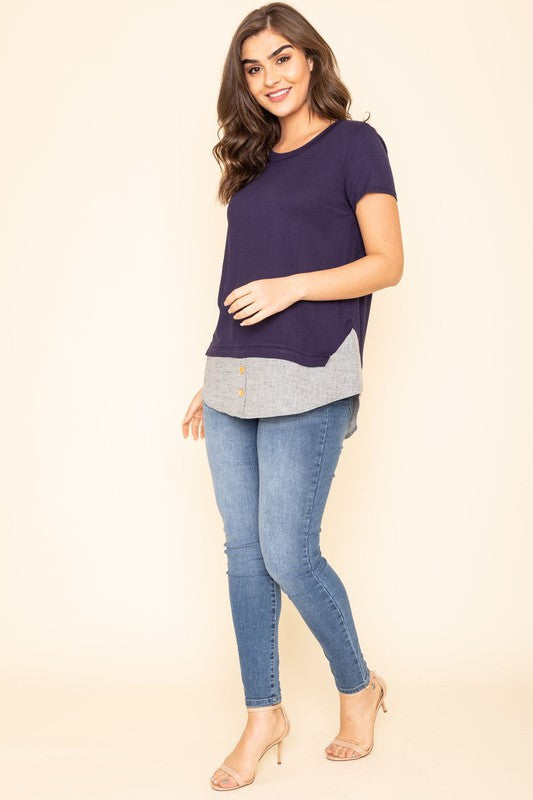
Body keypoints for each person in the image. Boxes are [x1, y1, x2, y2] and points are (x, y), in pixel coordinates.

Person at [182, 2, 404, 791]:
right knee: (243, 558)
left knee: (287, 551)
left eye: (282, 58)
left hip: (310, 368)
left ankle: (357, 688)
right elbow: (237, 280)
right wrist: (213, 375)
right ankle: (262, 714)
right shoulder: (249, 161)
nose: (269, 77)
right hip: (233, 373)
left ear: (311, 60)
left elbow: (386, 262)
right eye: (252, 66)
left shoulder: (355, 145)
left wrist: (290, 291)